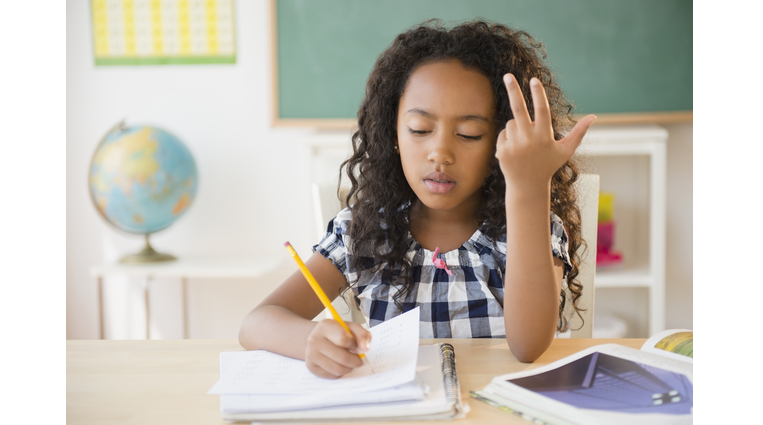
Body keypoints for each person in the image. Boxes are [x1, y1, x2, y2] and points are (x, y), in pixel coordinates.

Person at [239, 20, 596, 378]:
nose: (440, 153)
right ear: (392, 132)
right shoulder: (363, 231)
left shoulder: (527, 226)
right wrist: (310, 339)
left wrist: (531, 187)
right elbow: (256, 324)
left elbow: (529, 346)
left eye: (469, 134)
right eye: (420, 130)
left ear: (500, 142)